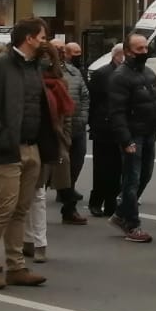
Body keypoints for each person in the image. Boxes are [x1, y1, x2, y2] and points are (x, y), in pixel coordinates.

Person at [0, 20, 53, 288]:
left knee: (20, 210)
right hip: (6, 147)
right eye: (42, 37)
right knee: (4, 208)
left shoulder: (34, 66)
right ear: (28, 38)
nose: (45, 41)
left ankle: (16, 267)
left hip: (31, 146)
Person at [106, 32, 156, 245]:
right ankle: (131, 223)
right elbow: (117, 112)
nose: (144, 52)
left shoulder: (148, 73)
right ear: (127, 51)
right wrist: (126, 139)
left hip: (148, 133)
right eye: (140, 49)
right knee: (131, 179)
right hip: (133, 135)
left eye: (146, 48)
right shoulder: (120, 76)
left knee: (145, 176)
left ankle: (120, 213)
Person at [28, 42, 76, 263]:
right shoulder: (28, 81)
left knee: (38, 195)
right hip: (29, 139)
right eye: (42, 57)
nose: (46, 61)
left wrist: (64, 142)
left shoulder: (60, 84)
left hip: (49, 142)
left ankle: (39, 243)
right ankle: (26, 240)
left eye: (49, 57)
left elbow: (66, 116)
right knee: (24, 197)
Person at [85, 40, 124, 218]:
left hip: (119, 126)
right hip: (103, 126)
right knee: (102, 167)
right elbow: (93, 101)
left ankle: (111, 202)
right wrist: (93, 124)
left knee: (117, 168)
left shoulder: (127, 73)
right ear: (117, 56)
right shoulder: (102, 74)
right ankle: (96, 201)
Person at [57, 42, 88, 225]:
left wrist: (83, 117)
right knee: (54, 170)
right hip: (57, 130)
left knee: (75, 165)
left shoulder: (74, 72)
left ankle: (68, 207)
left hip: (77, 127)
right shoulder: (42, 71)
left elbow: (85, 95)